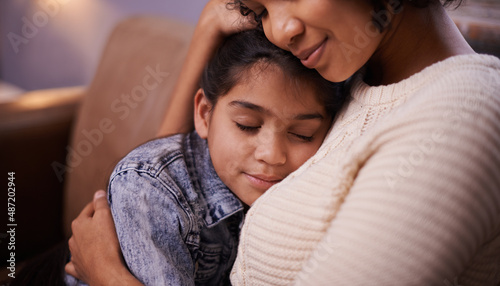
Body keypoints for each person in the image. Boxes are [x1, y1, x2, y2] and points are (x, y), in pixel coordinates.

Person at [66, 0, 500, 285]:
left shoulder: (461, 111)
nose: (281, 30)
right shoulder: (351, 78)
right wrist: (207, 32)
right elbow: (186, 171)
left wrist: (107, 273)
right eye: (261, 9)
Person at [65, 29, 341, 286]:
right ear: (204, 115)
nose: (271, 155)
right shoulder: (148, 188)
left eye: (303, 134)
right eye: (247, 124)